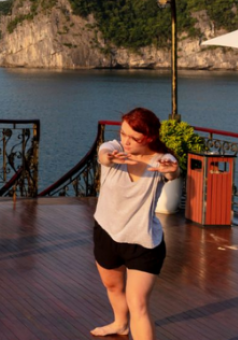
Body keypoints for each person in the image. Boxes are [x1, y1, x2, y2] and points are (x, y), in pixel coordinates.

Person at [91, 108, 179, 339]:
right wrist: (107, 157)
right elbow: (103, 153)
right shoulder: (115, 150)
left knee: (138, 303)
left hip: (143, 242)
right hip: (106, 234)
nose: (126, 141)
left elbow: (171, 168)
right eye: (123, 134)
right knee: (113, 287)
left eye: (134, 138)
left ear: (149, 138)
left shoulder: (160, 161)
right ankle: (120, 324)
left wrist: (172, 170)